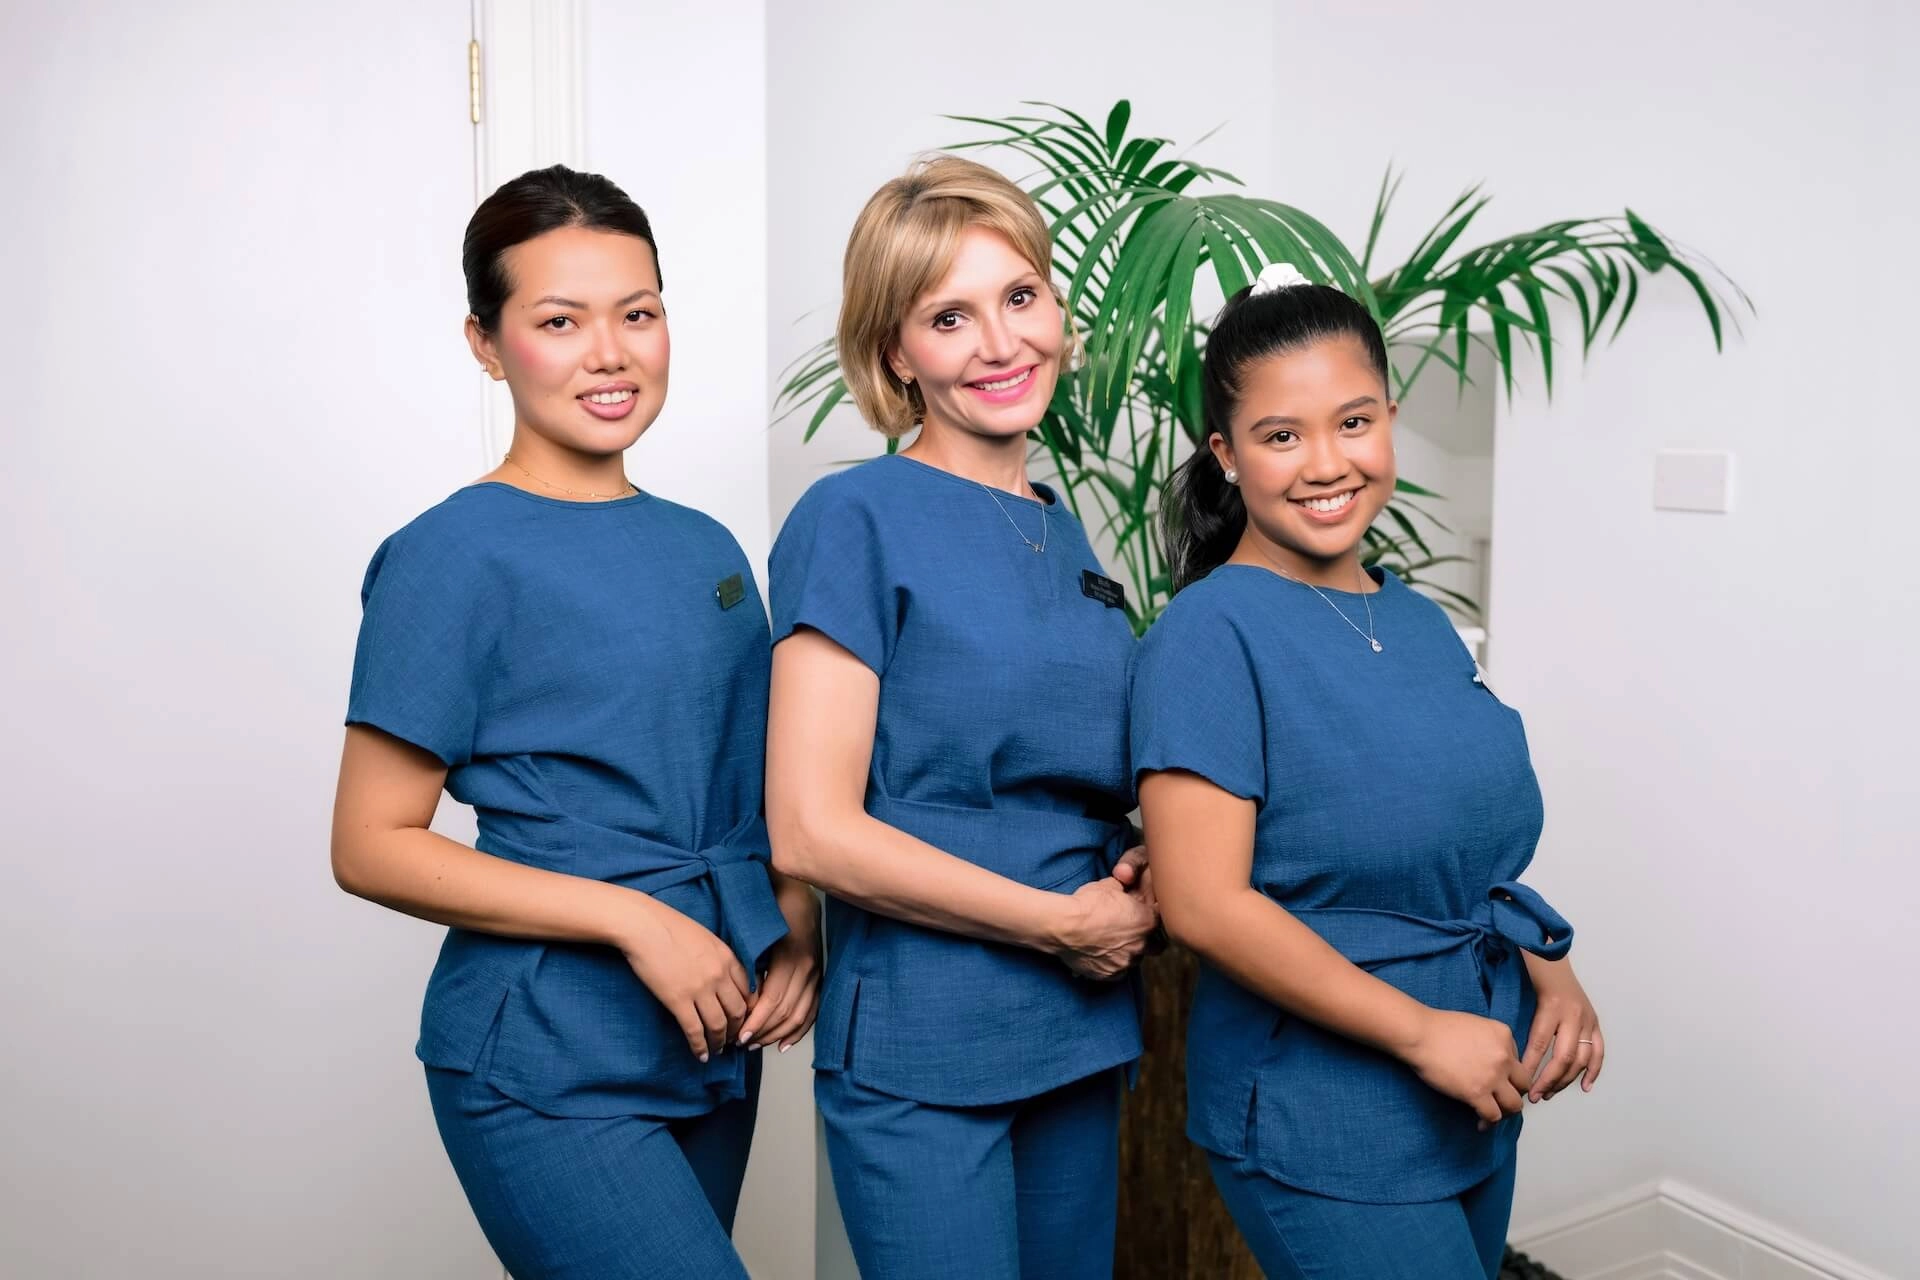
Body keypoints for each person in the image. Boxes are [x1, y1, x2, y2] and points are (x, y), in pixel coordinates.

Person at [329, 164, 819, 1280]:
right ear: (486, 342)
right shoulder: (452, 555)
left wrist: (795, 918)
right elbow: (369, 843)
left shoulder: (706, 544)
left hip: (714, 1032)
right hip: (545, 1051)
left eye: (637, 312)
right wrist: (637, 921)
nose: (612, 351)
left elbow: (749, 773)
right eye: (560, 320)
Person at [1131, 263, 1605, 1279]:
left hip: (1478, 1083)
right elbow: (1204, 903)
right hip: (1323, 1108)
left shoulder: (1421, 619)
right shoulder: (1209, 631)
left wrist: (1545, 961)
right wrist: (1423, 1033)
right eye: (1281, 434)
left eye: (1353, 421)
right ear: (1226, 452)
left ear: (1389, 416)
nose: (1324, 463)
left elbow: (1460, 834)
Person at [764, 155, 1157, 1279]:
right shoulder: (855, 518)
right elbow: (810, 828)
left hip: (1079, 1029)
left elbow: (1083, 777)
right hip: (927, 1042)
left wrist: (1137, 870)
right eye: (950, 315)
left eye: (1019, 296)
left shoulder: (1070, 534)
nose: (1000, 343)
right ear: (897, 352)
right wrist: (1055, 923)